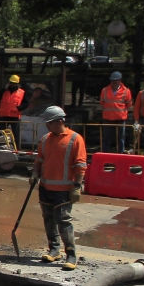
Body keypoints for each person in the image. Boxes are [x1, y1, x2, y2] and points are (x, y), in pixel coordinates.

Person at [30, 106, 87, 270]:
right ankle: (54, 249)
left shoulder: (75, 139)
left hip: (64, 190)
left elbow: (80, 165)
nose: (47, 126)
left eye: (49, 123)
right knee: (48, 218)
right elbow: (40, 159)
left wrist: (77, 186)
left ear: (60, 121)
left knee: (63, 221)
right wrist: (35, 173)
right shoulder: (46, 139)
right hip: (46, 187)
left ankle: (71, 254)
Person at [100, 71, 132, 153]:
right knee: (106, 138)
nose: (114, 82)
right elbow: (102, 102)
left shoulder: (126, 91)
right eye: (112, 80)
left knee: (120, 138)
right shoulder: (105, 90)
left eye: (116, 80)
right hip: (107, 118)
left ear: (120, 80)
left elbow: (129, 104)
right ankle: (105, 154)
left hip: (120, 118)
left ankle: (120, 154)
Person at [0, 75, 27, 139]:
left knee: (16, 134)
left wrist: (18, 108)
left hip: (15, 116)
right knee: (0, 133)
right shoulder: (4, 91)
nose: (12, 84)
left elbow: (26, 103)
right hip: (4, 116)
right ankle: (0, 147)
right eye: (11, 82)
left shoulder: (21, 92)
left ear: (17, 84)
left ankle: (16, 148)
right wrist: (4, 89)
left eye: (14, 83)